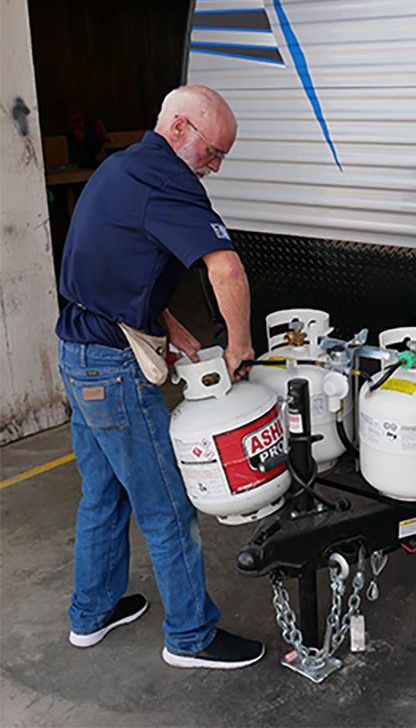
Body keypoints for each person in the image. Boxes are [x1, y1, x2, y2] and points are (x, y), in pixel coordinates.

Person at [55, 84, 264, 669]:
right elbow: (225, 266)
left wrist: (166, 320)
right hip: (113, 369)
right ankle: (191, 637)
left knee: (101, 493)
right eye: (214, 151)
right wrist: (240, 345)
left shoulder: (120, 167)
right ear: (179, 131)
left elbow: (115, 256)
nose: (216, 166)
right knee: (168, 508)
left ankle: (90, 615)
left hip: (77, 354)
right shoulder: (169, 181)